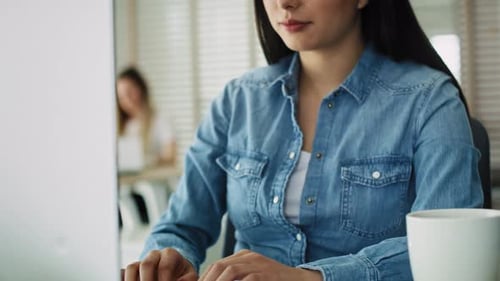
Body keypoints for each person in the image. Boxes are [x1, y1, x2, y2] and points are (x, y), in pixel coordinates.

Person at [123, 0, 483, 280]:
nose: (285, 2)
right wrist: (167, 258)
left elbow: (450, 252)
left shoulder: (430, 100)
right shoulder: (238, 101)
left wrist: (307, 278)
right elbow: (180, 225)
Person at [117, 67, 177, 167]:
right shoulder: (121, 126)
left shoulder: (161, 119)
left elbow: (170, 156)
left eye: (130, 92)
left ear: (141, 88)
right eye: (121, 97)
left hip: (154, 180)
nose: (127, 99)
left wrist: (148, 162)